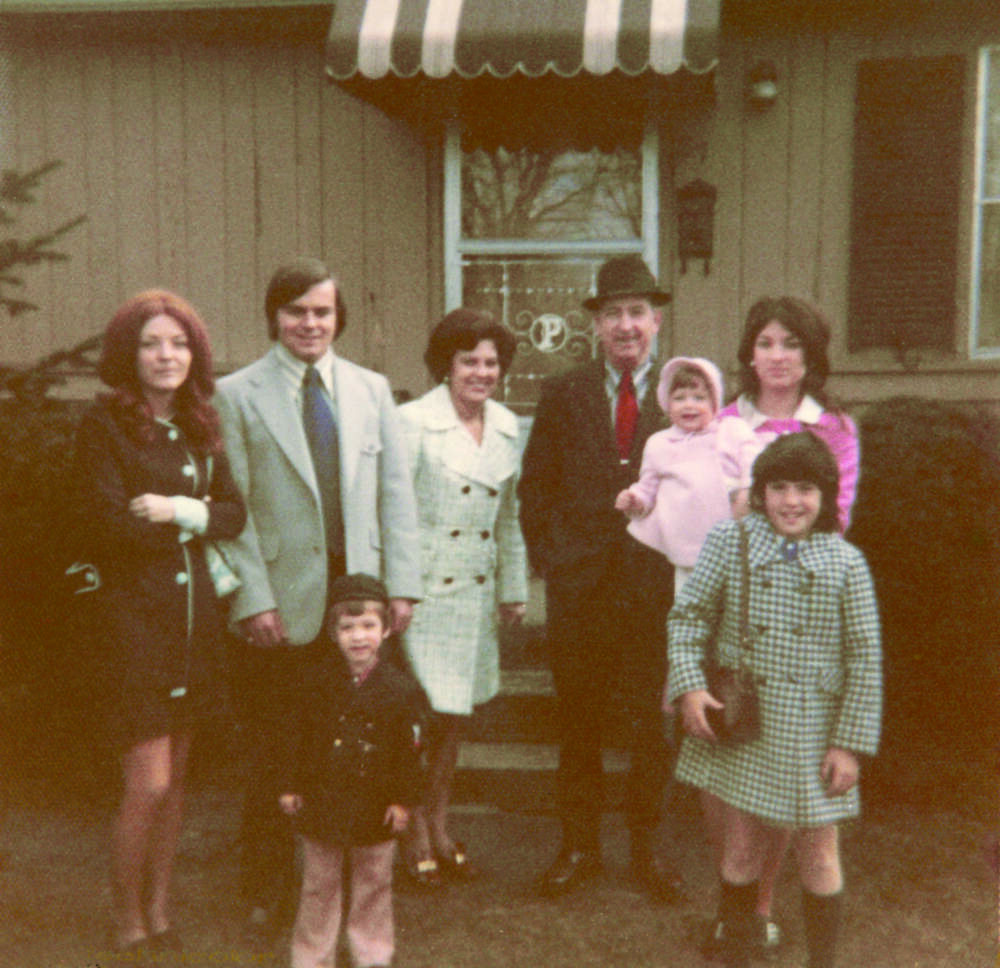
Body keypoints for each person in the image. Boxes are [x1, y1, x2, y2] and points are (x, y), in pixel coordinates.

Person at [214, 257, 421, 933]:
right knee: (279, 749)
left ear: (338, 318)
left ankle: (354, 900)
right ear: (275, 316)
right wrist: (253, 599)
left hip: (357, 601)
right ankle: (267, 889)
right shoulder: (238, 394)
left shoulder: (370, 389)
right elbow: (233, 503)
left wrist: (402, 587)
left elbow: (396, 494)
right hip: (284, 604)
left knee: (359, 750)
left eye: (322, 312)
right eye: (296, 311)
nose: (310, 323)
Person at [73, 290, 247, 956]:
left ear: (194, 354)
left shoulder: (202, 423)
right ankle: (127, 921)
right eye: (151, 343)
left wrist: (179, 509)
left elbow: (231, 513)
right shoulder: (104, 426)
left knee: (177, 786)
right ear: (129, 353)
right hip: (133, 628)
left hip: (195, 624)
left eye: (178, 343)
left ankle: (162, 909)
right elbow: (106, 524)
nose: (166, 355)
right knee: (147, 784)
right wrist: (183, 519)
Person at [667, 433, 882, 968]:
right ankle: (739, 955)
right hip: (747, 725)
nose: (791, 501)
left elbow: (865, 658)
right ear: (759, 493)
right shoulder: (730, 542)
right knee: (741, 848)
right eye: (779, 487)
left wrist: (849, 745)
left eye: (805, 489)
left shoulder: (846, 563)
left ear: (826, 496)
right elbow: (687, 618)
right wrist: (691, 684)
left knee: (819, 851)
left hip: (814, 734)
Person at [518, 254, 684, 902]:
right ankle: (578, 847)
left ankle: (648, 850)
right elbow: (537, 485)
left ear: (656, 320)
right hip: (580, 587)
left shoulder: (685, 393)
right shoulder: (565, 391)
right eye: (613, 313)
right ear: (596, 323)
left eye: (637, 312)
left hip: (652, 590)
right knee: (578, 723)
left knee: (650, 724)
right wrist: (551, 558)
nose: (625, 325)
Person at [707, 296, 861, 954]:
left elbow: (835, 518)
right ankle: (739, 903)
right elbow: (696, 512)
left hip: (797, 612)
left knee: (787, 764)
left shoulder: (832, 429)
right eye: (765, 342)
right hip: (719, 601)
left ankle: (763, 902)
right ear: (749, 353)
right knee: (727, 748)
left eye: (791, 344)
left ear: (810, 356)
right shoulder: (717, 422)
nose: (777, 356)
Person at [396, 308, 528, 886]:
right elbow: (392, 516)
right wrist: (393, 595)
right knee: (417, 723)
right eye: (469, 360)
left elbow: (508, 519)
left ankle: (441, 825)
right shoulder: (410, 422)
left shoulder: (505, 425)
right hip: (420, 598)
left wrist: (513, 589)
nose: (481, 372)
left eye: (491, 362)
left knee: (453, 724)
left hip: (473, 595)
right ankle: (412, 833)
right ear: (445, 365)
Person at [274, 574, 427, 968]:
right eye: (347, 627)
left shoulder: (402, 690)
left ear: (387, 629)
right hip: (323, 803)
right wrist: (291, 786)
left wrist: (403, 801)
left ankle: (373, 954)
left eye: (368, 626)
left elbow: (410, 753)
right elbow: (295, 739)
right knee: (318, 885)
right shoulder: (314, 685)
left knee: (374, 883)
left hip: (376, 808)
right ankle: (312, 956)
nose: (358, 637)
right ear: (332, 632)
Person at [614, 356, 762, 594]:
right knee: (691, 607)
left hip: (735, 543)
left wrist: (746, 490)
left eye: (699, 398)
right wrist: (634, 499)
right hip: (685, 550)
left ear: (715, 404)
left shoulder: (731, 430)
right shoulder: (659, 444)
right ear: (667, 404)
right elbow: (647, 489)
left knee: (738, 604)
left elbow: (755, 464)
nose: (689, 405)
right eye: (679, 398)